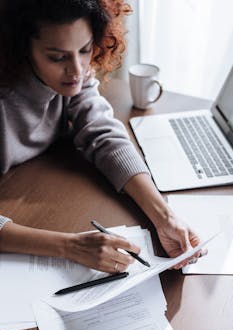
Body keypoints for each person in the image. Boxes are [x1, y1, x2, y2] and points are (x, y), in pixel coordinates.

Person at [0, 0, 203, 274]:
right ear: (21, 49)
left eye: (84, 50)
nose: (77, 70)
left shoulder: (74, 75)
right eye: (57, 57)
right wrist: (70, 246)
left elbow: (103, 132)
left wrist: (164, 215)